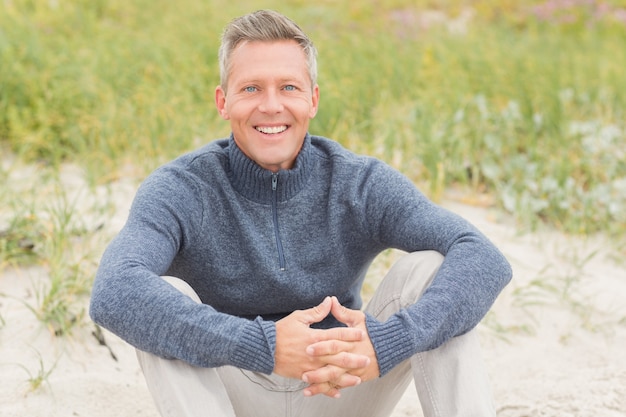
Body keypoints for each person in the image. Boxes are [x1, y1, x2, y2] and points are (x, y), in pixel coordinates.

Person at [89, 9, 512, 417]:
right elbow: (113, 290)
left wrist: (389, 342)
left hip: (341, 386)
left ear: (312, 99)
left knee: (433, 268)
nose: (271, 106)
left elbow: (482, 255)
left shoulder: (358, 182)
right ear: (223, 101)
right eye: (251, 88)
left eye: (288, 88)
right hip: (233, 390)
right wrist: (266, 344)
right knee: (162, 296)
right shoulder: (181, 188)